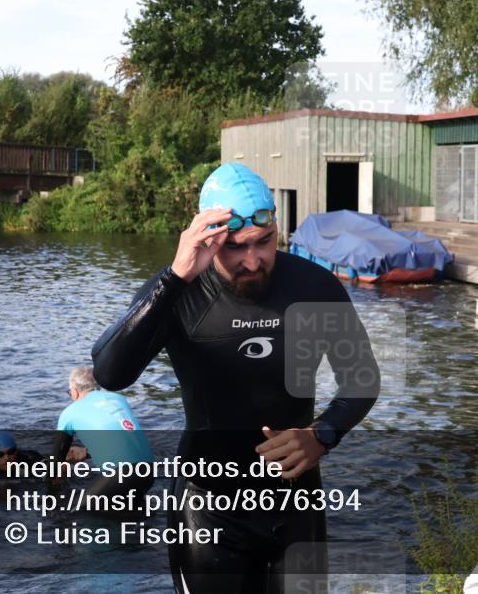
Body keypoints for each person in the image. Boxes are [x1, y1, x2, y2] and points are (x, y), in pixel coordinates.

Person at [92, 163, 380, 592]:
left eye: (264, 242)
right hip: (208, 508)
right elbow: (110, 373)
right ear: (207, 240)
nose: (252, 260)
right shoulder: (180, 293)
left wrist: (322, 435)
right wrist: (173, 278)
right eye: (235, 247)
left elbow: (362, 379)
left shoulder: (314, 288)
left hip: (295, 502)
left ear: (276, 228)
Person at [51, 366, 154, 508]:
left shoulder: (69, 413)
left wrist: (50, 487)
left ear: (74, 391)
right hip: (149, 471)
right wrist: (86, 453)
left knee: (78, 512)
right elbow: (120, 439)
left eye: (69, 392)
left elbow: (55, 463)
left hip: (121, 474)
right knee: (131, 511)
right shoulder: (118, 399)